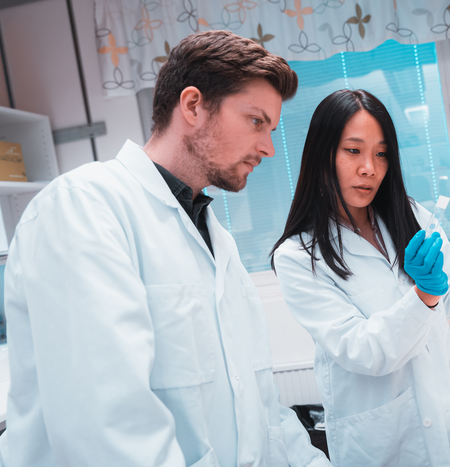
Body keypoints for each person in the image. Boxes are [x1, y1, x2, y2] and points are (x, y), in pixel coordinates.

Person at [0, 31, 331, 467]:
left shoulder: (218, 242)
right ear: (192, 105)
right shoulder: (83, 209)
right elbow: (109, 434)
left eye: (271, 129)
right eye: (256, 122)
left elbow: (259, 408)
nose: (268, 148)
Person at [271, 89, 450, 467]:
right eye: (353, 150)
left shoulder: (411, 216)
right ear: (321, 155)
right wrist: (424, 294)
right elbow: (364, 350)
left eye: (381, 153)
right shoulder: (299, 257)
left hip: (448, 415)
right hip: (385, 440)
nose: (370, 168)